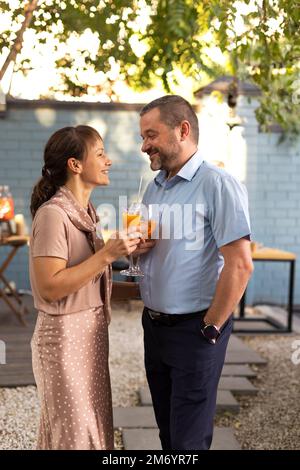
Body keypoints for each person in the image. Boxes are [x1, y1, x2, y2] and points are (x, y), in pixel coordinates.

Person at [137, 95, 253, 450]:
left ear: (183, 130)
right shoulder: (155, 187)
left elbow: (240, 263)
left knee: (188, 442)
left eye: (151, 135)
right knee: (168, 434)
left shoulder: (217, 183)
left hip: (195, 330)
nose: (144, 146)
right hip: (153, 327)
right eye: (142, 137)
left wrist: (212, 327)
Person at [29, 125, 141, 450]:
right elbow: (50, 287)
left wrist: (144, 292)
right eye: (101, 154)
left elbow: (87, 283)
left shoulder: (88, 216)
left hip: (91, 338)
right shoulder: (53, 215)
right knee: (73, 436)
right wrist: (109, 254)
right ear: (75, 165)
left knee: (93, 432)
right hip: (64, 341)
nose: (109, 161)